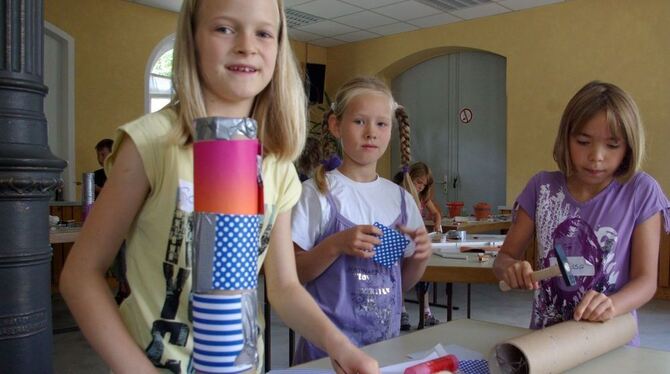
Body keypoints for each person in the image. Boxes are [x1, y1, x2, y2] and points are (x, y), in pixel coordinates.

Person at [59, 1, 378, 373]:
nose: (246, 45)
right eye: (224, 28)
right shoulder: (152, 143)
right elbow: (80, 274)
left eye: (263, 32)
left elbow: (285, 288)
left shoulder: (277, 168)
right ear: (192, 39)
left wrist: (340, 346)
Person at [493, 81, 669, 343]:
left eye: (612, 145)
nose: (596, 156)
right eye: (583, 141)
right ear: (566, 137)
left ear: (629, 147)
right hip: (547, 344)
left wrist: (611, 304)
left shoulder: (641, 192)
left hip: (611, 341)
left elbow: (645, 281)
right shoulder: (542, 188)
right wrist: (510, 268)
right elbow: (503, 258)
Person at [291, 76, 432, 364]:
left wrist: (419, 258)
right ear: (335, 126)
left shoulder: (402, 201)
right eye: (359, 122)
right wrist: (336, 244)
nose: (371, 133)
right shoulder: (317, 194)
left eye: (381, 124)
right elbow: (294, 274)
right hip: (325, 354)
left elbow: (398, 285)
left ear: (391, 131)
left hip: (382, 351)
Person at [393, 161, 442, 330]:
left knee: (422, 275)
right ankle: (401, 310)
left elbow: (436, 213)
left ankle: (426, 312)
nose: (421, 187)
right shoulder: (397, 192)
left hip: (415, 240)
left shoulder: (422, 197)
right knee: (400, 276)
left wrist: (437, 222)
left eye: (424, 184)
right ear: (410, 177)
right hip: (399, 239)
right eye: (418, 182)